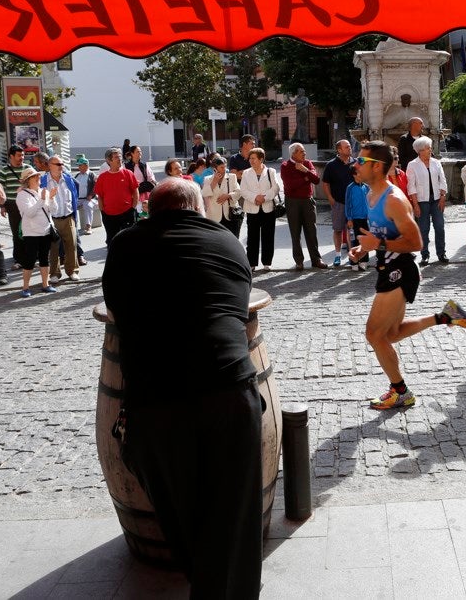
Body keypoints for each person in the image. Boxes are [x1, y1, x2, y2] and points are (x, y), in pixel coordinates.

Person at [102, 177, 261, 597]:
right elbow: (238, 298)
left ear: (151, 211)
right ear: (197, 208)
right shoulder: (227, 241)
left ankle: (203, 583)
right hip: (229, 387)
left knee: (178, 510)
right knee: (235, 511)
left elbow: (117, 303)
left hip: (157, 399)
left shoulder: (125, 244)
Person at [349, 142, 466, 409]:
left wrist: (378, 246)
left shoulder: (394, 199)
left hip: (400, 270)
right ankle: (445, 316)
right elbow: (383, 237)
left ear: (377, 167)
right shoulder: (370, 194)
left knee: (374, 335)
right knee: (390, 334)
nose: (356, 164)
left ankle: (401, 392)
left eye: (361, 161)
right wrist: (364, 249)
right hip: (387, 268)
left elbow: (416, 242)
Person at [280, 143, 327, 270]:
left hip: (307, 201)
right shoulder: (285, 166)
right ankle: (299, 261)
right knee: (295, 233)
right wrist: (306, 179)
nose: (304, 153)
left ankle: (316, 259)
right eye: (301, 151)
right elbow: (290, 186)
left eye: (304, 151)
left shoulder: (308, 163)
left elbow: (316, 180)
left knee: (312, 231)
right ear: (293, 154)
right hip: (293, 202)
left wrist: (305, 171)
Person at [406, 136, 449, 265]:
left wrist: (443, 197)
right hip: (422, 201)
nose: (430, 150)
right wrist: (415, 204)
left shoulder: (436, 162)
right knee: (424, 229)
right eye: (427, 148)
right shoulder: (412, 164)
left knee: (440, 227)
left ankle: (441, 253)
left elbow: (443, 180)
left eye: (430, 148)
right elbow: (411, 185)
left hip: (436, 199)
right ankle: (425, 255)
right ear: (419, 151)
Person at [17, 166, 59, 297]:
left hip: (45, 231)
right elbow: (29, 213)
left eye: (39, 176)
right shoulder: (22, 195)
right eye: (35, 176)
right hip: (31, 232)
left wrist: (51, 198)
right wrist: (41, 199)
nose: (39, 178)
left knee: (44, 259)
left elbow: (54, 210)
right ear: (28, 180)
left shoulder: (43, 191)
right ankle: (25, 287)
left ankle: (45, 284)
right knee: (29, 260)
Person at [239, 147, 281, 271]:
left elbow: (276, 188)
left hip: (268, 208)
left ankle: (267, 262)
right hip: (252, 208)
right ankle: (251, 263)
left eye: (253, 158)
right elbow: (243, 190)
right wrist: (255, 198)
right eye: (250, 158)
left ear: (261, 159)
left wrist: (265, 198)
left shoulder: (271, 171)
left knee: (268, 236)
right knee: (252, 237)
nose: (251, 161)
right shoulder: (246, 173)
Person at [42, 155, 80, 283]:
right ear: (49, 165)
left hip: (68, 217)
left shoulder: (68, 179)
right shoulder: (43, 181)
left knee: (72, 245)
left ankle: (72, 270)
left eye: (62, 164)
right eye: (58, 164)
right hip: (51, 220)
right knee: (53, 248)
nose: (61, 166)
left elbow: (75, 195)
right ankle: (54, 273)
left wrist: (74, 215)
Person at [94, 147, 139, 246]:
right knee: (112, 242)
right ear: (109, 160)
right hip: (109, 216)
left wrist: (133, 208)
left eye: (120, 157)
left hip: (127, 213)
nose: (120, 159)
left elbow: (135, 192)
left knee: (129, 242)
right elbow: (100, 196)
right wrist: (103, 212)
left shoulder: (128, 174)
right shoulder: (102, 177)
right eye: (116, 157)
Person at [321, 139, 355, 266]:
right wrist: (330, 198)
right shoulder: (331, 165)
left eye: (350, 146)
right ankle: (337, 255)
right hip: (338, 202)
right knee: (338, 229)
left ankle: (352, 255)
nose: (349, 148)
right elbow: (325, 183)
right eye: (346, 147)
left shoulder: (356, 163)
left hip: (353, 203)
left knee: (351, 230)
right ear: (339, 150)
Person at [0, 144, 27, 268]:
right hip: (12, 205)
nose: (22, 157)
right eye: (19, 155)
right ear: (11, 156)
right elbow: (0, 189)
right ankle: (18, 259)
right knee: (16, 232)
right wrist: (3, 206)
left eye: (22, 155)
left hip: (27, 204)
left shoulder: (28, 168)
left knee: (29, 230)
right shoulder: (4, 170)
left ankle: (30, 255)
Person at [202, 156, 243, 237]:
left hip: (231, 215)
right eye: (221, 167)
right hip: (214, 217)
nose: (224, 169)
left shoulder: (232, 177)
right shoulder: (208, 179)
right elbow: (205, 194)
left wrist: (228, 196)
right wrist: (214, 182)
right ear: (214, 168)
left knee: (233, 239)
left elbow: (239, 192)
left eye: (225, 166)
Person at [344, 167, 370, 271]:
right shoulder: (350, 188)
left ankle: (363, 261)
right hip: (354, 218)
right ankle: (353, 261)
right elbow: (348, 204)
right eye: (359, 173)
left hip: (365, 218)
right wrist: (349, 218)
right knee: (354, 240)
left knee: (365, 241)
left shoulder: (366, 187)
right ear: (354, 175)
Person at [125, 145, 156, 213]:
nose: (140, 153)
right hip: (134, 193)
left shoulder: (144, 164)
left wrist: (153, 182)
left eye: (140, 151)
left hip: (144, 191)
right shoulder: (126, 166)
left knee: (146, 212)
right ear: (132, 154)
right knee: (138, 212)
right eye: (138, 152)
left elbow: (150, 176)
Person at [73, 155, 96, 236]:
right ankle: (73, 226)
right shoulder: (77, 175)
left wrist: (90, 195)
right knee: (70, 207)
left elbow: (95, 186)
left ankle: (88, 226)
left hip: (89, 198)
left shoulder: (91, 174)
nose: (78, 167)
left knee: (88, 205)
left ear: (86, 165)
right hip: (78, 199)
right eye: (78, 165)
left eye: (80, 165)